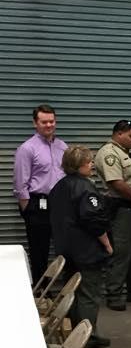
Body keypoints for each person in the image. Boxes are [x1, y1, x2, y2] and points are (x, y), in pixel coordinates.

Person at [48, 145, 112, 348]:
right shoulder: (85, 187)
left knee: (73, 291)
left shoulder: (58, 187)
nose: (92, 164)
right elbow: (93, 220)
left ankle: (76, 332)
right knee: (89, 294)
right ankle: (88, 336)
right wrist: (107, 244)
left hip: (66, 250)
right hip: (86, 249)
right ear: (81, 164)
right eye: (89, 161)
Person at [94, 120, 131, 311]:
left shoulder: (128, 154)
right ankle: (114, 294)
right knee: (121, 252)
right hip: (121, 208)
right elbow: (116, 183)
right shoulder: (109, 153)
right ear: (119, 134)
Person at [13, 104, 68, 285]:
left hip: (60, 204)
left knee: (64, 248)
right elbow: (21, 183)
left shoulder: (62, 146)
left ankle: (62, 288)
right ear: (35, 123)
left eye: (51, 121)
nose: (48, 125)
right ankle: (41, 293)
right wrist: (27, 208)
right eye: (44, 122)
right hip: (38, 204)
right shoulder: (27, 148)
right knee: (39, 251)